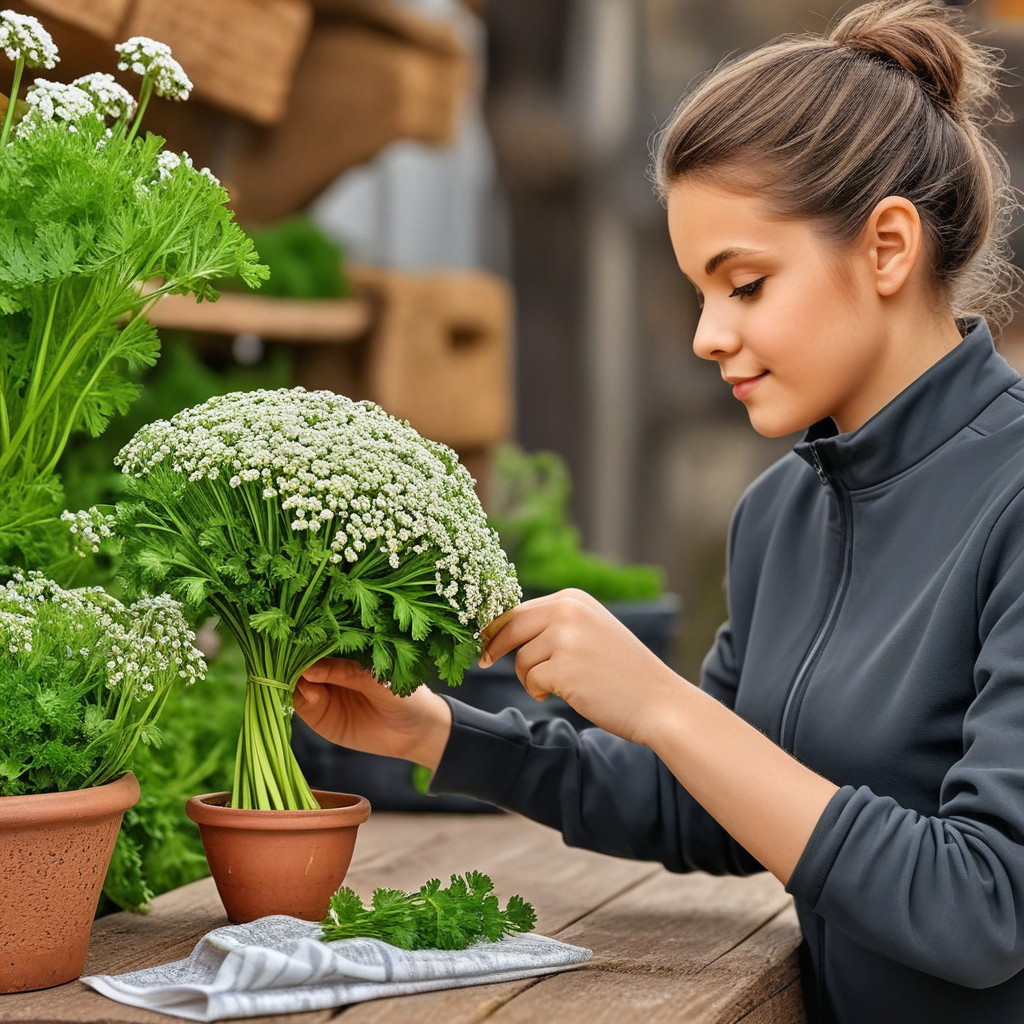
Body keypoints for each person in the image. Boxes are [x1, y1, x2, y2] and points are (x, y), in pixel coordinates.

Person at [292, 1, 1024, 1020]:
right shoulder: (779, 514)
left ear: (888, 247)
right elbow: (721, 808)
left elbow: (984, 910)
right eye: (695, 291)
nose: (704, 336)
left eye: (744, 284)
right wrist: (437, 734)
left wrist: (664, 704)